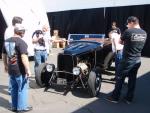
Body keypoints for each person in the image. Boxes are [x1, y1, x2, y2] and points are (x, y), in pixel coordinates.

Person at [106, 16, 147, 104]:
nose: (127, 25)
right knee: (132, 80)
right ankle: (129, 99)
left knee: (119, 78)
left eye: (128, 23)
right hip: (137, 60)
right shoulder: (144, 33)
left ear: (132, 22)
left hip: (127, 60)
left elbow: (120, 42)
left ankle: (115, 97)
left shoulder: (129, 31)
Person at [2, 24, 32, 112]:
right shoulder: (21, 42)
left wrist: (6, 66)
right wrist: (28, 69)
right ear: (21, 32)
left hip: (11, 69)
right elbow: (24, 57)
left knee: (14, 88)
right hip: (20, 70)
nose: (24, 33)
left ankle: (14, 107)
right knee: (22, 88)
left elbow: (3, 55)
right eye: (24, 32)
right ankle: (21, 107)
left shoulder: (7, 41)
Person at [4, 16, 23, 94]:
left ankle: (11, 89)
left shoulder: (8, 29)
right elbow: (12, 41)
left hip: (10, 51)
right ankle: (14, 89)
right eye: (20, 23)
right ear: (17, 23)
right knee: (15, 71)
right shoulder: (11, 30)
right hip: (13, 52)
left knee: (12, 71)